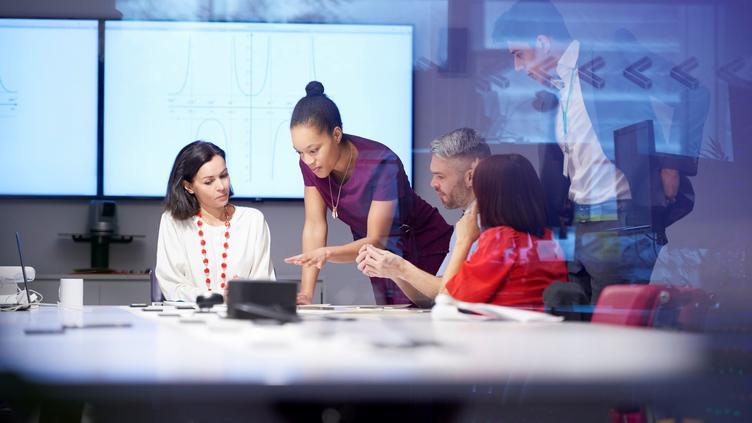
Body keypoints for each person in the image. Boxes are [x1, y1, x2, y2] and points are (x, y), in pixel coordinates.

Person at [493, 0, 708, 304]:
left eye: (519, 54)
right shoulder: (556, 92)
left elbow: (692, 92)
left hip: (620, 223)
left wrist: (672, 164)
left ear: (541, 42)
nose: (518, 68)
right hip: (578, 228)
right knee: (576, 330)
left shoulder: (611, 59)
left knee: (611, 331)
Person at [284, 81, 453, 305]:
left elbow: (376, 239)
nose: (307, 160)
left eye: (313, 150)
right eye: (300, 152)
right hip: (378, 256)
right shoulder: (309, 163)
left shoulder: (381, 162)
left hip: (421, 245)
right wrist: (306, 293)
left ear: (336, 134)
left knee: (434, 318)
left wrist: (328, 253)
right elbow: (315, 225)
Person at [361, 154, 567, 308]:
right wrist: (396, 269)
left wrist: (464, 240)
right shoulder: (547, 238)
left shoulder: (501, 240)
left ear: (489, 197)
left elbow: (446, 299)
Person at [354, 128, 491, 307]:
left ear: (470, 177)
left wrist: (401, 267)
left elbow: (447, 295)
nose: (433, 183)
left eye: (440, 176)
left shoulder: (488, 225)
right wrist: (393, 271)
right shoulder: (465, 223)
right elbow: (434, 298)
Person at [156, 141, 275, 301]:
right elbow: (172, 287)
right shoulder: (173, 221)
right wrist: (217, 297)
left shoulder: (253, 221)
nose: (221, 186)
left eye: (224, 175)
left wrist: (246, 291)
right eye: (208, 181)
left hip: (242, 321)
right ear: (188, 187)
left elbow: (265, 284)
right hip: (189, 321)